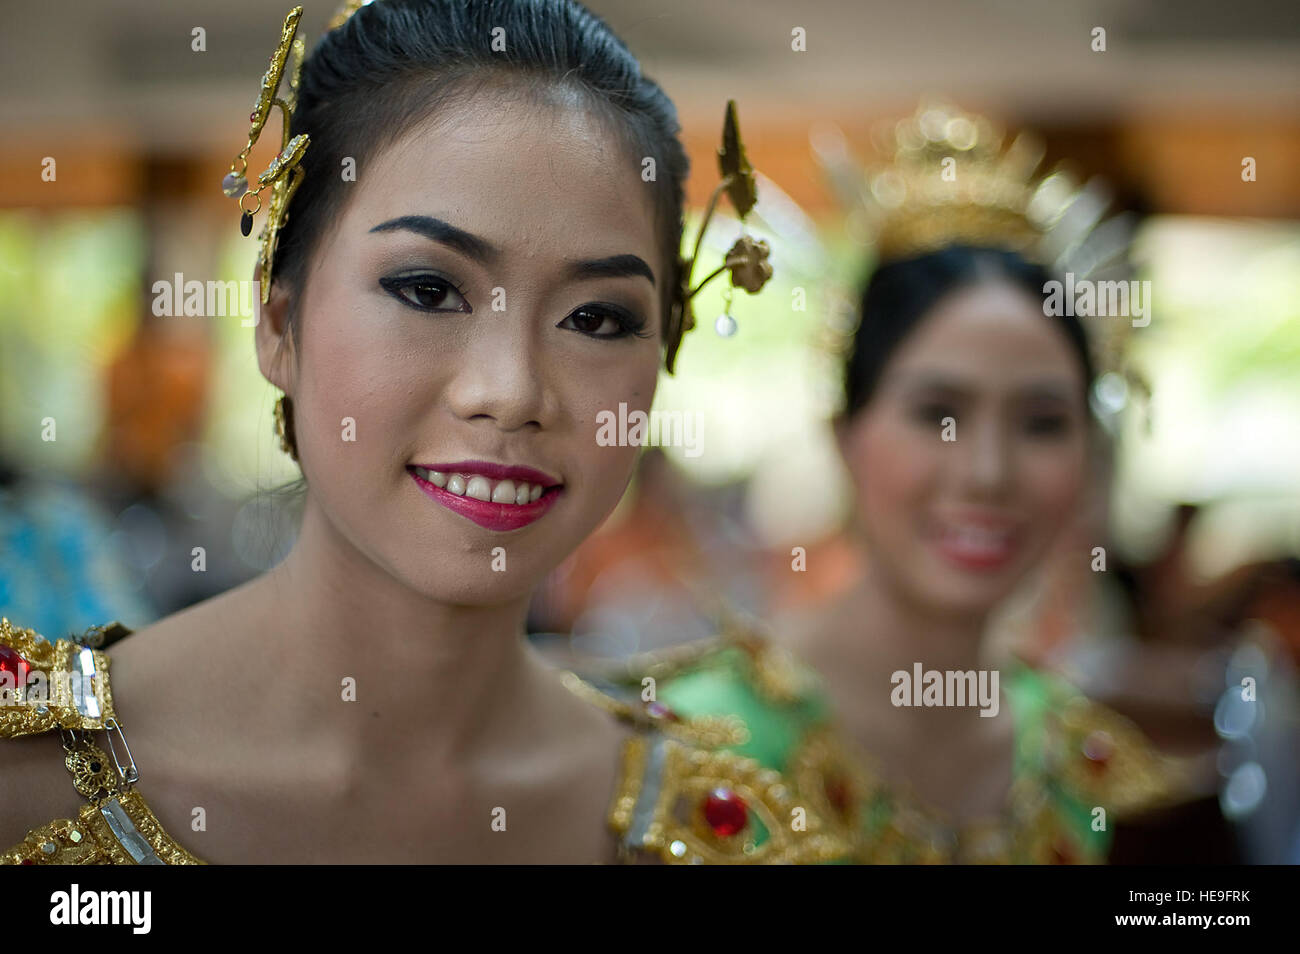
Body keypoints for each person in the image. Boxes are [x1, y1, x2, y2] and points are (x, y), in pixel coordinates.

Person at [0, 0, 843, 865]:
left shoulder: (724, 831)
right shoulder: (26, 779)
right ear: (278, 324)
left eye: (594, 317)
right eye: (429, 290)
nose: (511, 391)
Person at [635, 103, 1197, 863]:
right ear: (844, 435)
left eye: (1041, 422)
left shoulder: (1096, 769)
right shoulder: (691, 748)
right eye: (938, 413)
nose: (988, 472)